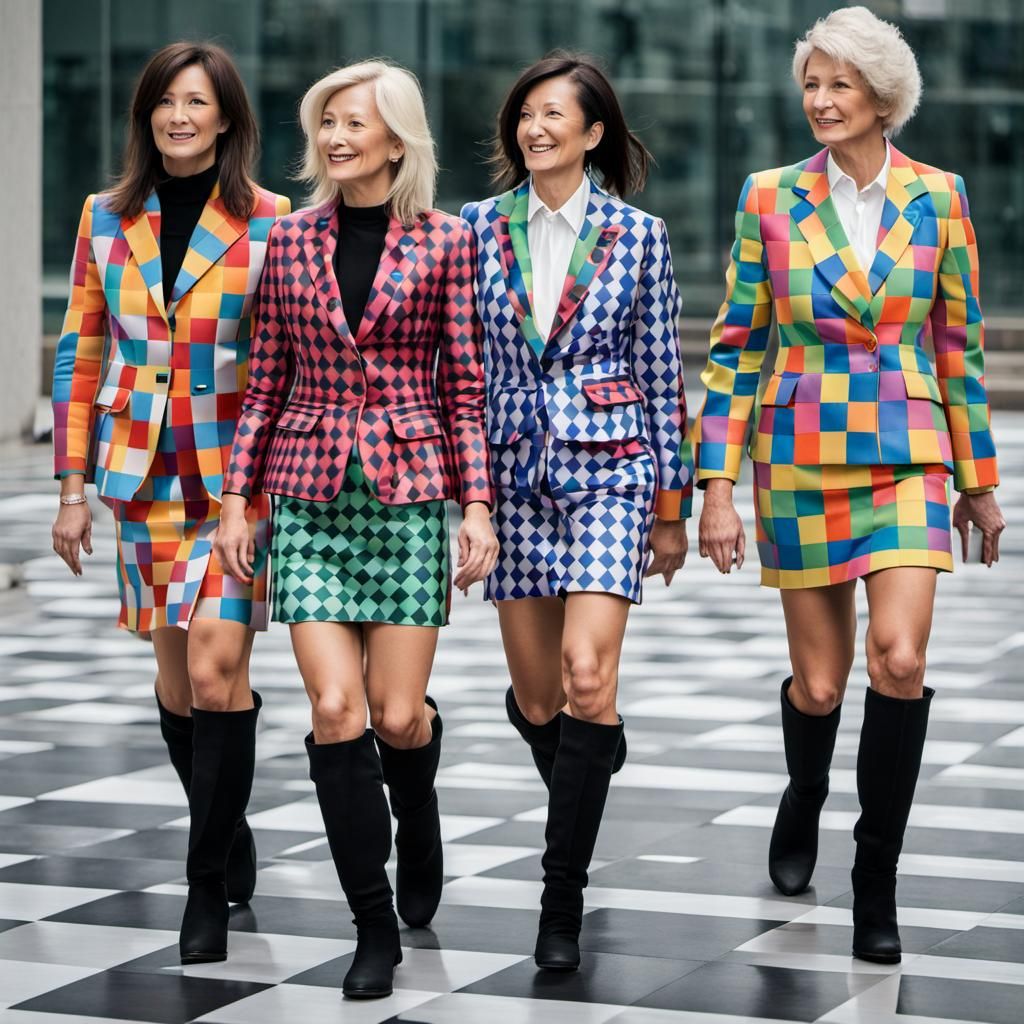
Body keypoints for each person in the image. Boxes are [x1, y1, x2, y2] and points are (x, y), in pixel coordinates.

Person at [692, 6, 1005, 964]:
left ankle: (878, 880)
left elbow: (959, 348)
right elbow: (736, 345)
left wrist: (978, 482)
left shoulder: (941, 197)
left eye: (839, 84)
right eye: (811, 85)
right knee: (822, 685)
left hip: (909, 457)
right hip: (799, 456)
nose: (821, 101)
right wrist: (715, 485)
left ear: (884, 95)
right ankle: (803, 794)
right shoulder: (768, 198)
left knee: (899, 663)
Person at [216, 59, 497, 999]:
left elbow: (464, 383)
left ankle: (416, 813)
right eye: (326, 121)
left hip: (412, 496)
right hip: (308, 497)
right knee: (336, 714)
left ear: (396, 137)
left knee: (395, 717)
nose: (336, 138)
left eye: (354, 122)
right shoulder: (288, 243)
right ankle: (371, 924)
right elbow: (265, 381)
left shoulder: (448, 242)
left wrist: (478, 506)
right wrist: (234, 501)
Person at [50, 41, 290, 965]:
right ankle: (224, 828)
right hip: (141, 475)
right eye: (164, 103)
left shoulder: (273, 220)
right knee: (178, 682)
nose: (179, 116)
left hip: (238, 480)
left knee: (221, 669)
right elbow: (80, 350)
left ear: (226, 117)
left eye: (197, 102)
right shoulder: (105, 219)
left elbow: (287, 354)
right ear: (146, 116)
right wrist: (71, 488)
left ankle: (203, 891)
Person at [462, 51, 691, 973]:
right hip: (513, 472)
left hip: (612, 470)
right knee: (538, 697)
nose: (535, 126)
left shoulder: (638, 236)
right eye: (525, 113)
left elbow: (661, 374)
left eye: (555, 113)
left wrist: (670, 507)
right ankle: (593, 752)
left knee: (588, 675)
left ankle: (562, 902)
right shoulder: (475, 227)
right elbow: (462, 362)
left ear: (593, 132)